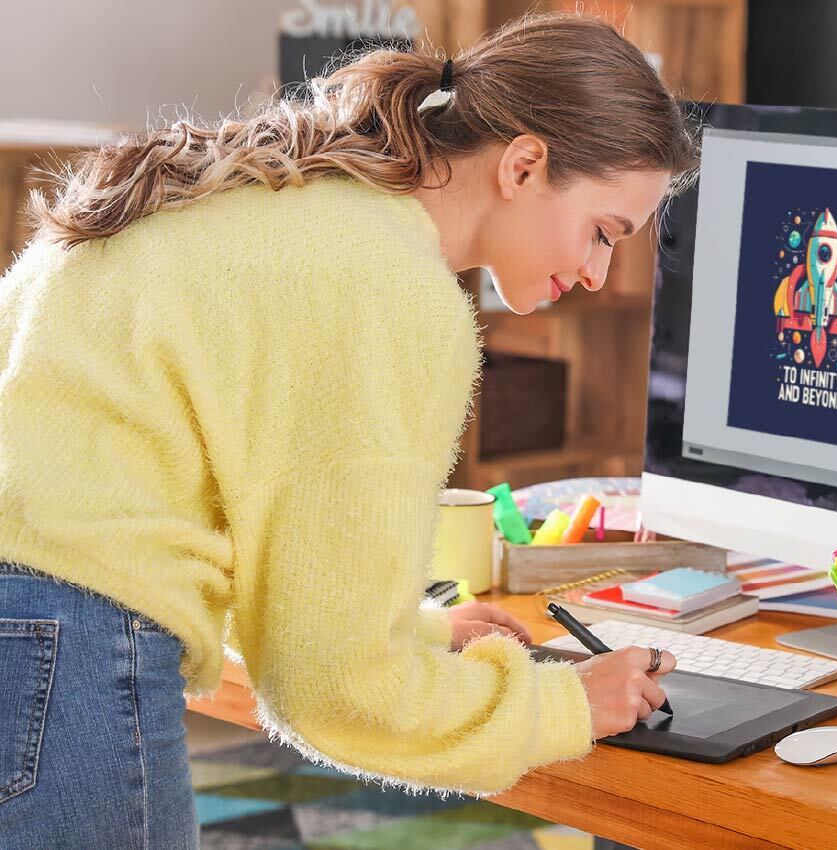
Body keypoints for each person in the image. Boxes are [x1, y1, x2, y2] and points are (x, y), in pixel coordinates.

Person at [0, 13, 697, 848]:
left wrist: (422, 631)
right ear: (523, 164)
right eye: (602, 232)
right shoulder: (389, 290)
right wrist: (570, 703)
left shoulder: (300, 197)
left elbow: (203, 499)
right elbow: (332, 692)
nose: (597, 273)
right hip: (59, 651)